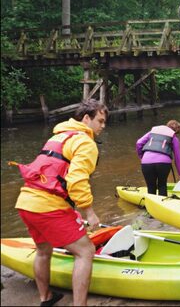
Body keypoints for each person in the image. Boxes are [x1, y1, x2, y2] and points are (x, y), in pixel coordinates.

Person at [12, 99, 107, 306]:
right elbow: (76, 181)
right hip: (48, 205)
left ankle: (46, 298)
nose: (103, 126)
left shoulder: (59, 136)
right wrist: (89, 213)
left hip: (26, 201)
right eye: (100, 121)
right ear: (86, 118)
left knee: (43, 250)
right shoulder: (85, 142)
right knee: (85, 251)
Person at [136, 120, 180, 196]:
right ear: (175, 132)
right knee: (162, 185)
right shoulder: (174, 137)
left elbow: (139, 143)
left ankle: (151, 205)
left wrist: (141, 157)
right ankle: (162, 205)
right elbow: (177, 157)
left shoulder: (152, 132)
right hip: (163, 164)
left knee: (151, 187)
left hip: (146, 163)